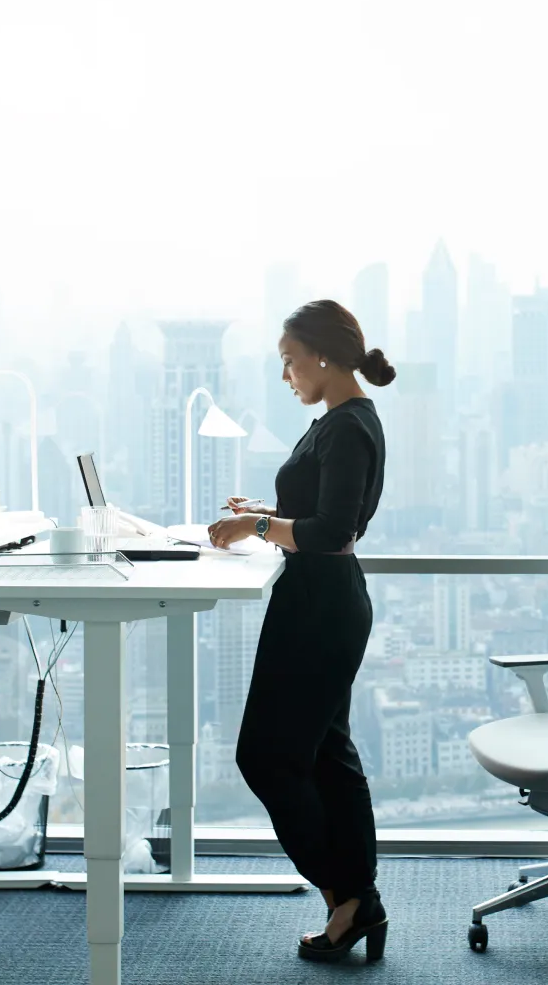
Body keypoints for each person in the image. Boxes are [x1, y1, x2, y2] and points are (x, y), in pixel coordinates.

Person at [207, 299, 395, 962]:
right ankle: (357, 899)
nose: (285, 375)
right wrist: (264, 512)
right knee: (327, 755)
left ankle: (348, 895)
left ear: (320, 354)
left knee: (264, 758)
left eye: (288, 361)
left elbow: (333, 531)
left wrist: (259, 527)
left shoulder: (348, 428)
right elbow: (316, 512)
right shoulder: (340, 421)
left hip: (320, 607)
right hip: (320, 600)